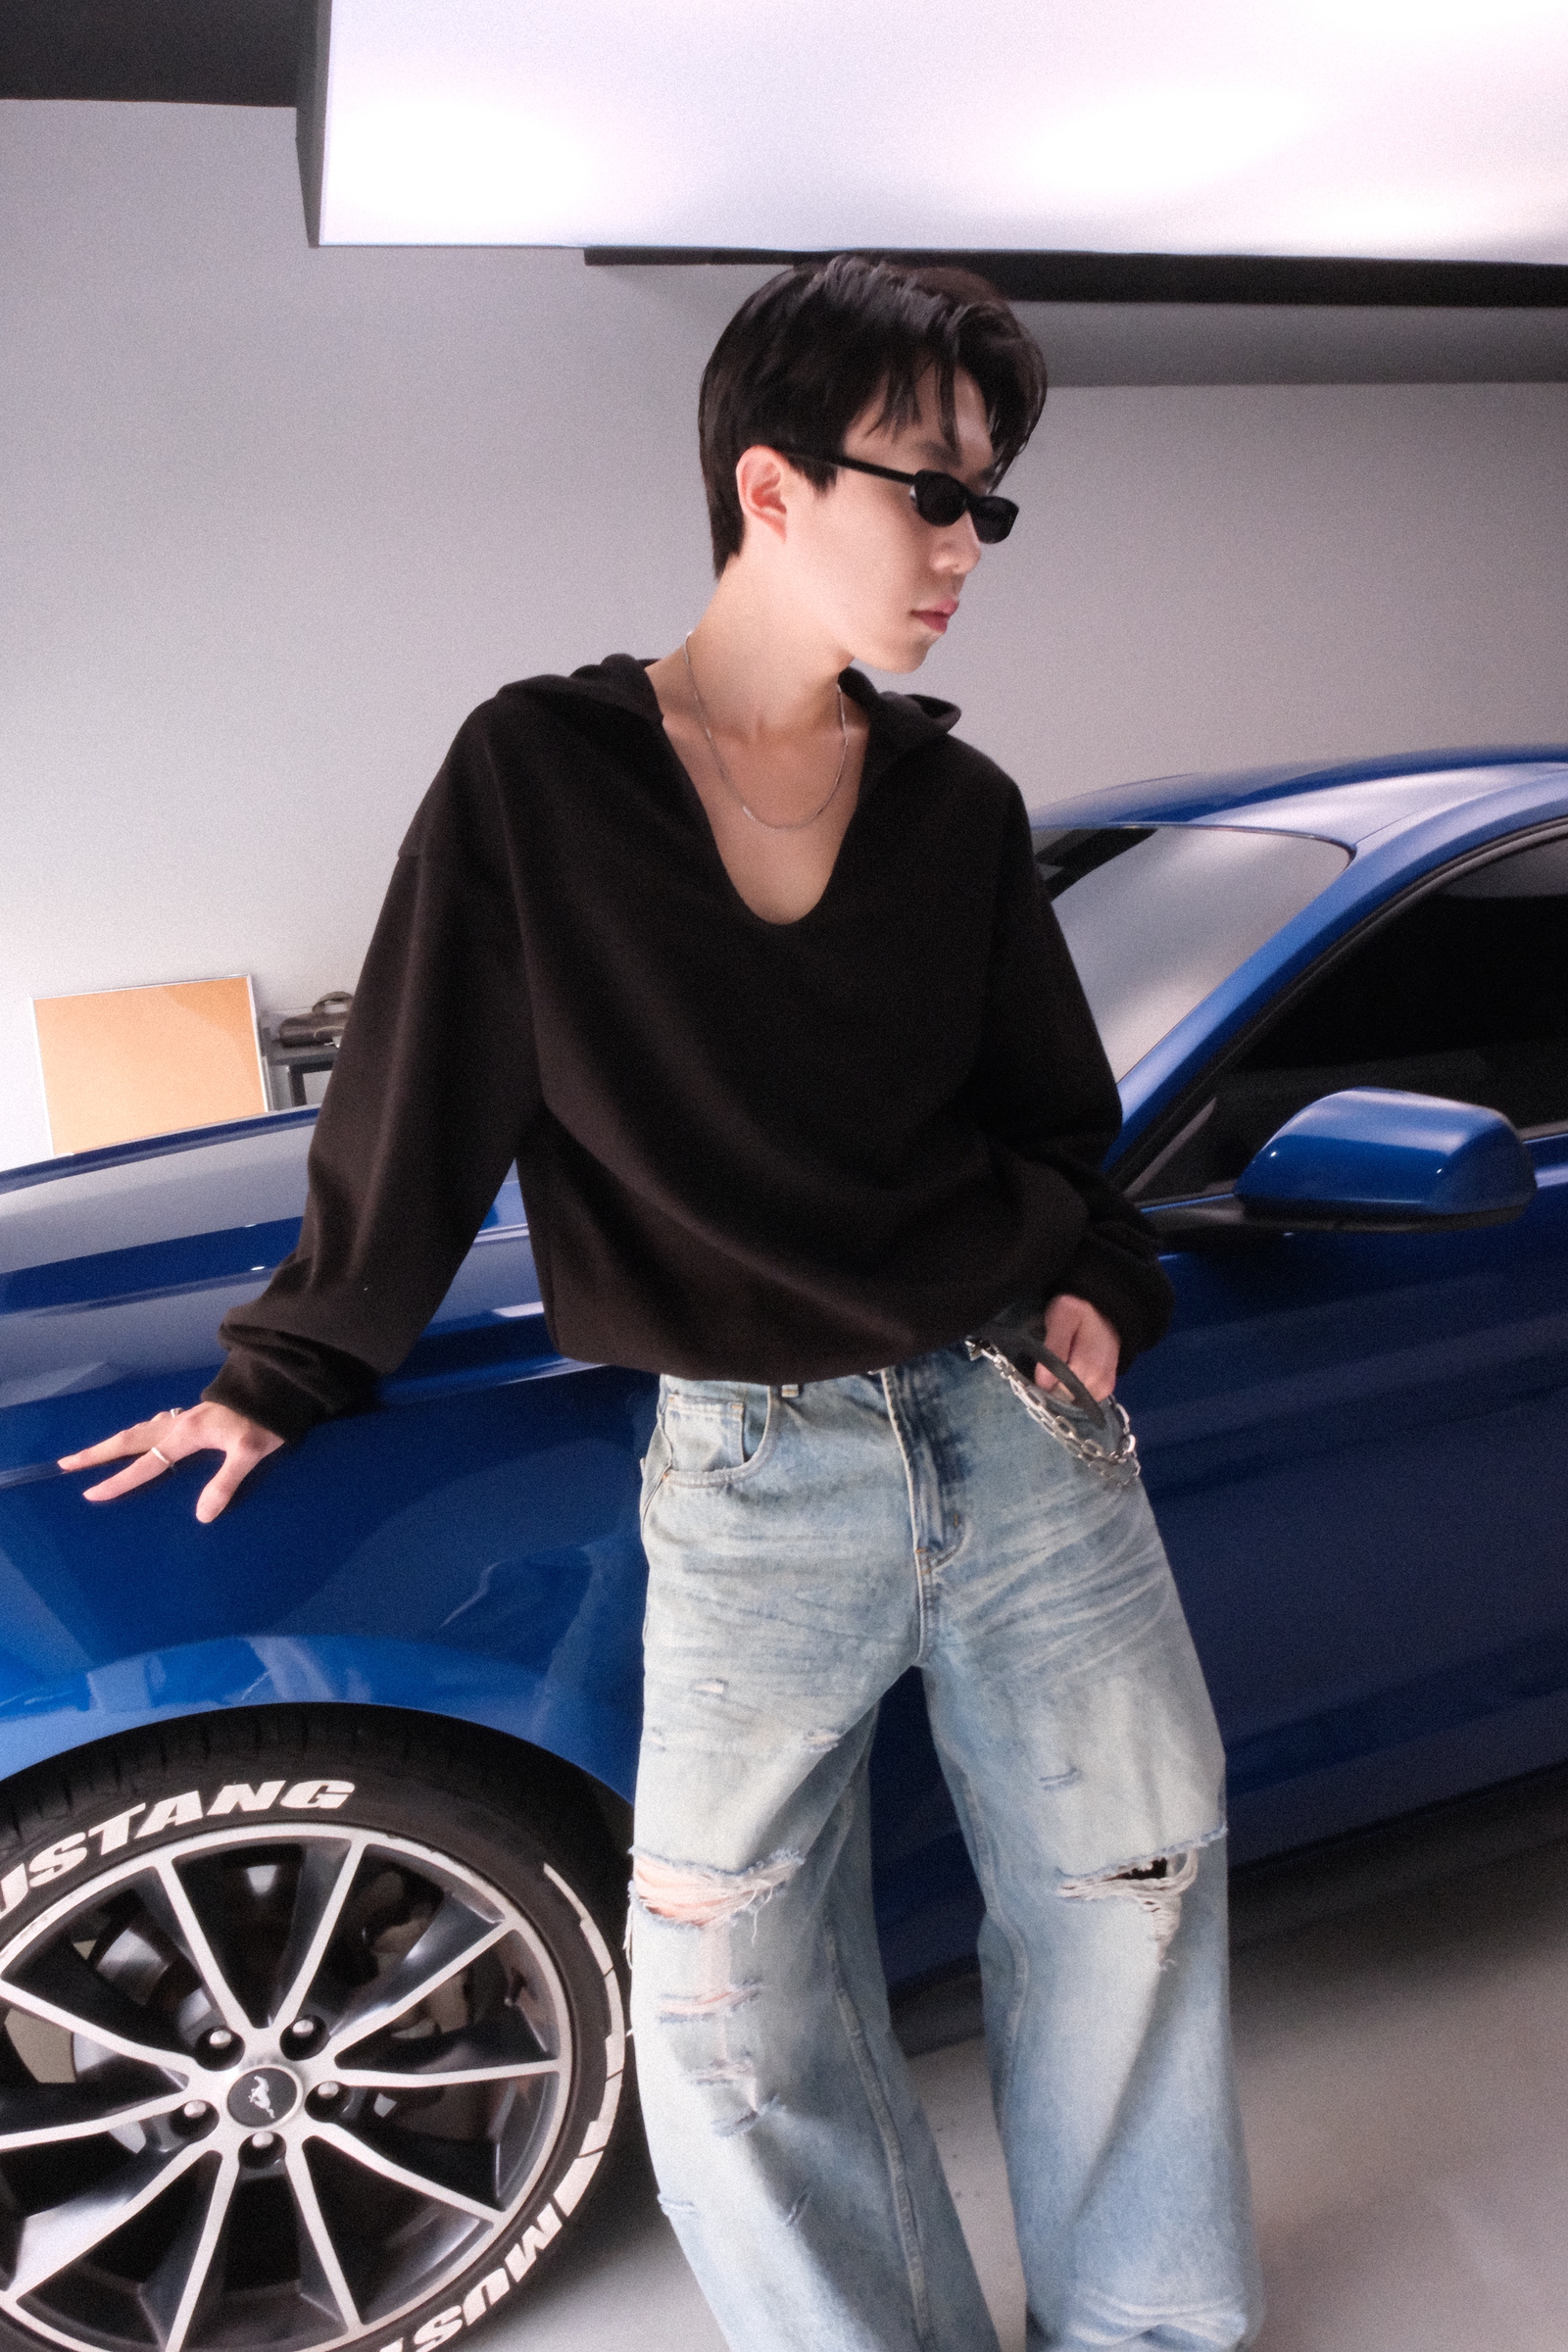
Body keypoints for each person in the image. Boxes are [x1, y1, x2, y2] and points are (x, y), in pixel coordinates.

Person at [61, 255, 1262, 2350]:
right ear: (770, 486)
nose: (969, 543)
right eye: (934, 490)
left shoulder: (959, 810)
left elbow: (1058, 1128)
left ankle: (1151, 2332)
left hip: (1020, 1432)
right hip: (753, 1470)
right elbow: (419, 1094)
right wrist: (288, 1367)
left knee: (1126, 1902)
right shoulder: (541, 773)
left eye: (991, 501)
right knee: (724, 1998)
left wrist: (1100, 1276)